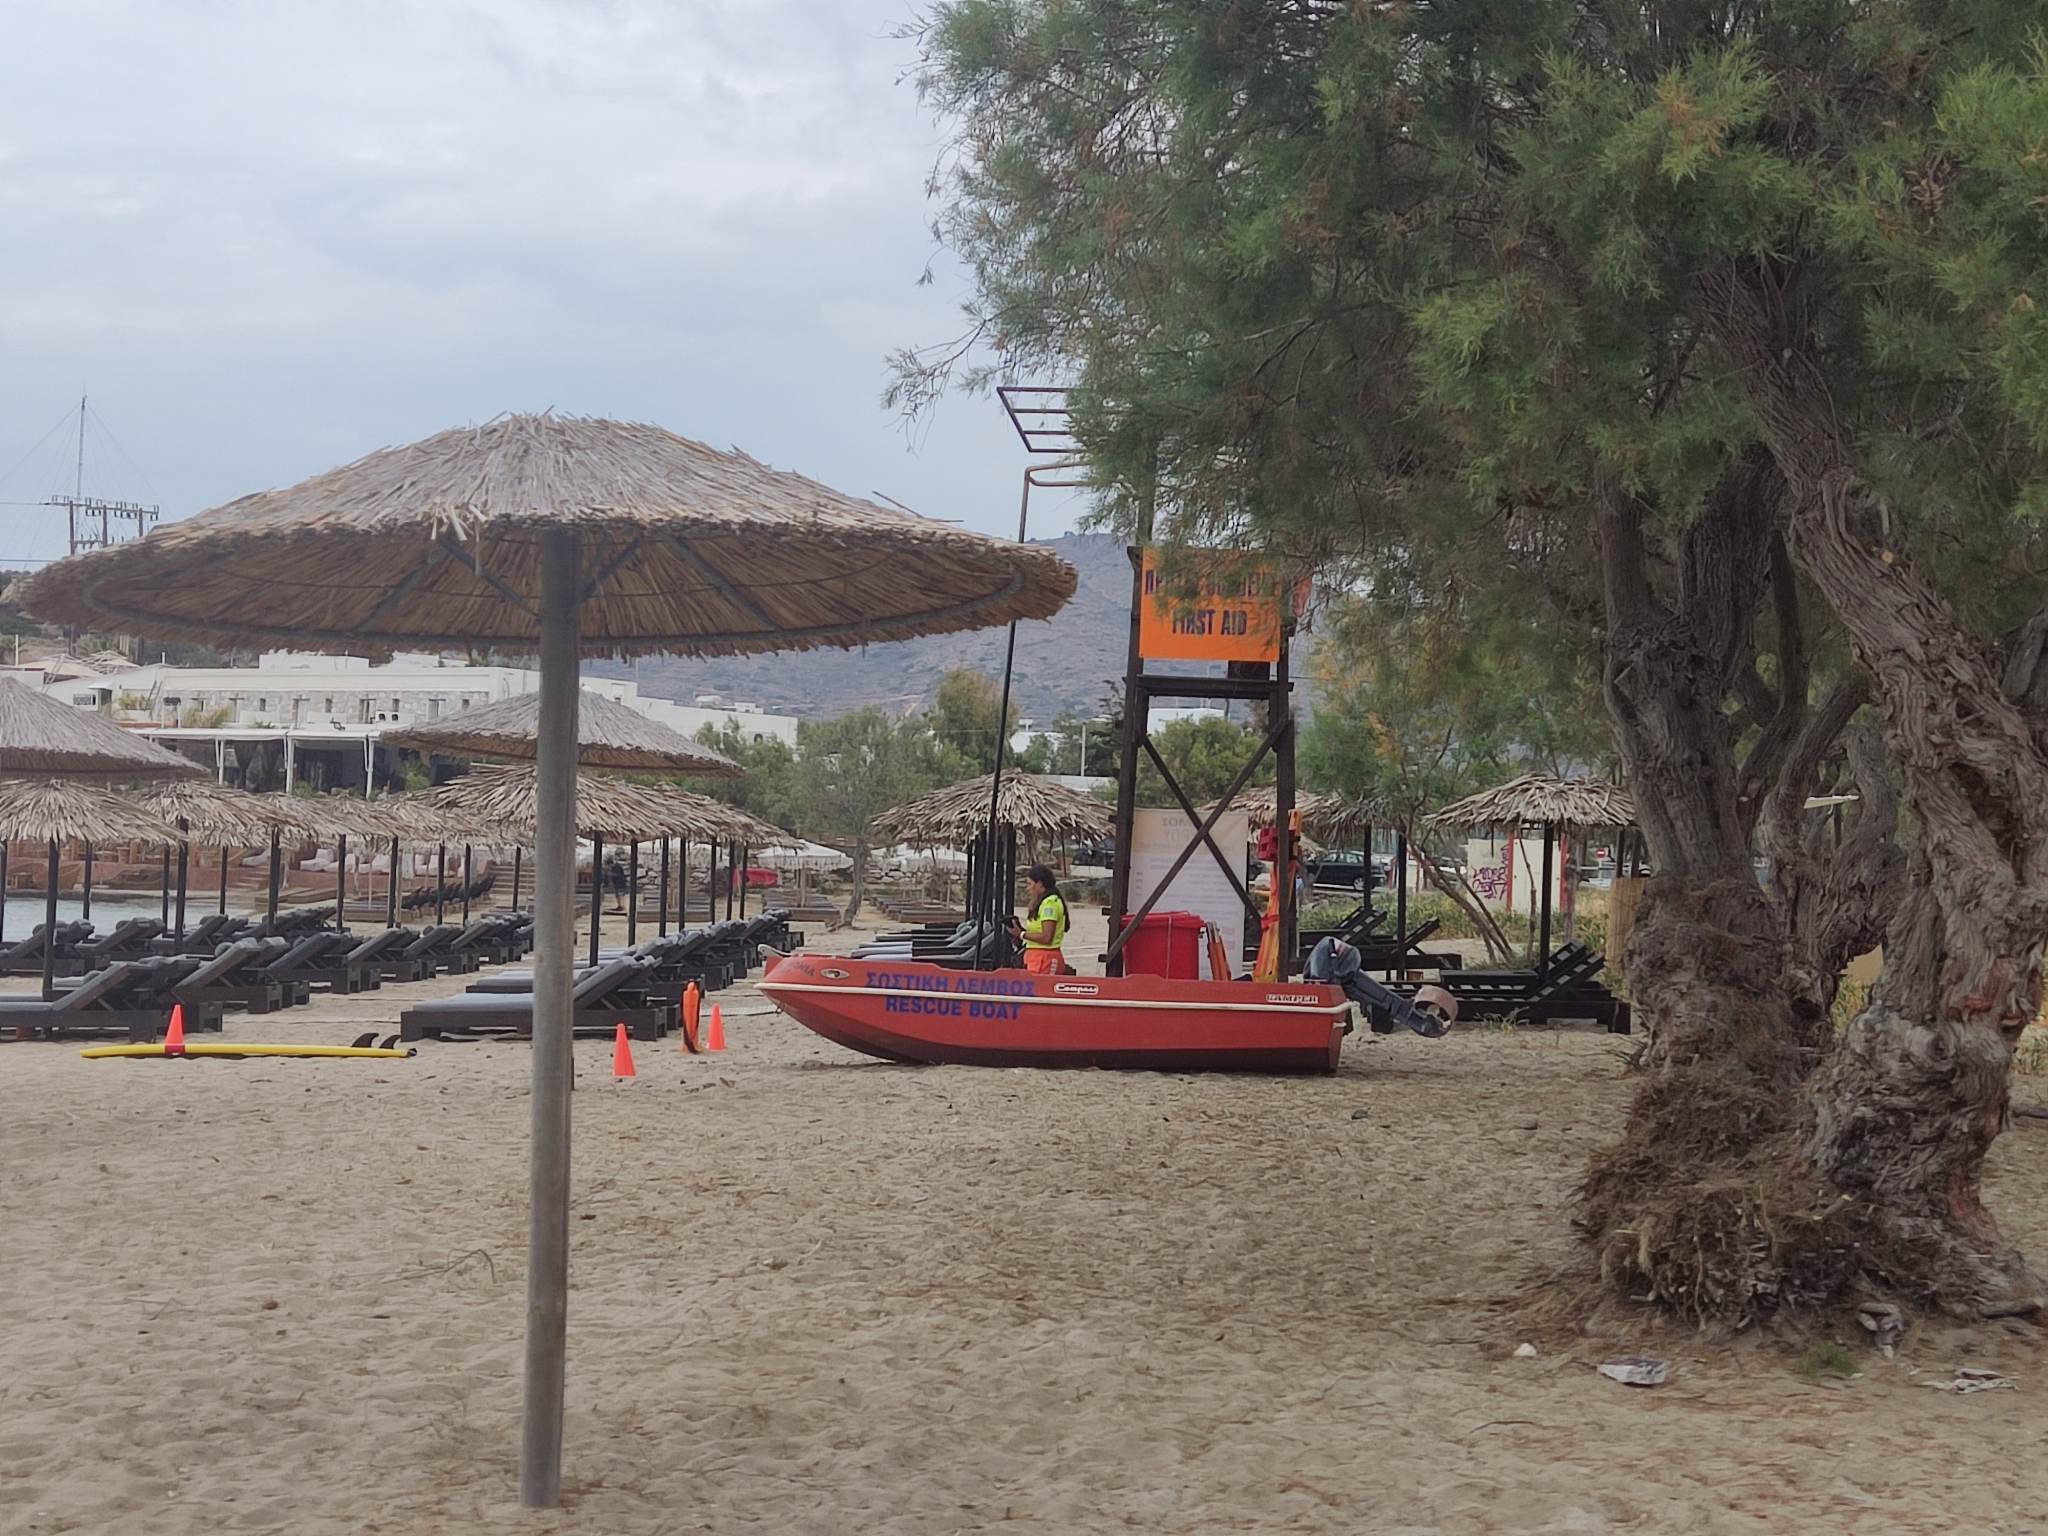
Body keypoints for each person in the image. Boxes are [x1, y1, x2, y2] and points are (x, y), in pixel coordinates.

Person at [1304, 935, 1456, 1038]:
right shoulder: (1324, 962)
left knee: (1360, 993)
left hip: (1335, 965)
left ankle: (1412, 1016)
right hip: (1342, 960)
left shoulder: (1320, 970)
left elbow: (1324, 988)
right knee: (1364, 992)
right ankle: (1408, 1013)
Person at [1009, 865, 1070, 975]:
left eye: (1030, 884)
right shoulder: (1043, 903)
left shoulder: (1049, 905)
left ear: (1040, 884)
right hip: (1036, 958)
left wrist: (1022, 934)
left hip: (1045, 959)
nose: (1028, 888)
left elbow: (1047, 937)